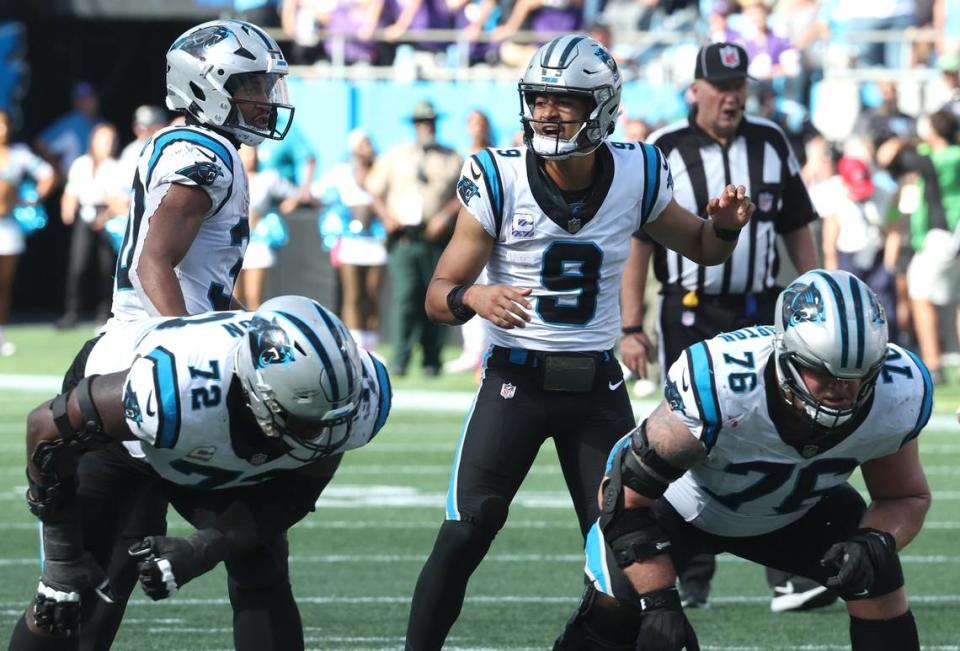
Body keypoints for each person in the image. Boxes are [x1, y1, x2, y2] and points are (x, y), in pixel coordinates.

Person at [404, 34, 755, 650]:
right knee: (468, 529)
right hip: (516, 380)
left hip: (596, 387)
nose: (547, 113)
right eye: (539, 99)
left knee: (624, 549)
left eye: (563, 101)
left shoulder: (638, 171)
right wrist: (474, 298)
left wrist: (723, 228)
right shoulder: (498, 175)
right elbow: (438, 295)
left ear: (603, 106)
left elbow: (702, 247)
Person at [11, 19, 295, 651]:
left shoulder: (191, 144)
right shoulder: (204, 154)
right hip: (162, 373)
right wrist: (192, 351)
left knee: (81, 589)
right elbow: (153, 261)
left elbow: (190, 271)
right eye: (250, 84)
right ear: (207, 86)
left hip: (121, 361)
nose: (265, 98)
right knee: (255, 569)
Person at [567, 269, 932, 651]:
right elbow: (624, 498)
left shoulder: (899, 389)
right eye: (821, 371)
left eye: (858, 374)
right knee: (614, 614)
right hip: (679, 508)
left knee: (876, 571)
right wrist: (660, 603)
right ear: (788, 356)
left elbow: (903, 497)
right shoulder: (723, 383)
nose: (841, 389)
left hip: (797, 512)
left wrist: (873, 541)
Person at [7, 295, 392, 650]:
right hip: (123, 437)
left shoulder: (353, 400)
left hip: (212, 437)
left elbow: (295, 494)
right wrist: (61, 557)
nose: (322, 435)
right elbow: (45, 428)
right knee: (68, 596)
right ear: (260, 392)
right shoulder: (175, 386)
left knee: (261, 563)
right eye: (306, 422)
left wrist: (205, 547)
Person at [621, 41, 822, 612]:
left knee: (781, 436)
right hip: (689, 308)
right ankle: (687, 573)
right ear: (696, 89)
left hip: (760, 310)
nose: (732, 97)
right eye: (721, 86)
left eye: (740, 86)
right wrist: (631, 324)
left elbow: (796, 225)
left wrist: (819, 292)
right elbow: (638, 245)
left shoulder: (770, 140)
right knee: (689, 440)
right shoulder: (664, 147)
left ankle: (791, 573)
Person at [366, 99, 462, 377]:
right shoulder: (395, 156)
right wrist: (386, 218)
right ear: (414, 125)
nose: (425, 127)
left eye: (429, 122)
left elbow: (466, 192)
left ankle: (433, 359)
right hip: (405, 237)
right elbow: (375, 191)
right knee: (406, 298)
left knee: (438, 298)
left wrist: (446, 215)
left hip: (438, 238)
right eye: (421, 122)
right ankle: (401, 357)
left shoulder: (452, 157)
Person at [314, 129, 387, 351]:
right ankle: (355, 346)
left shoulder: (382, 170)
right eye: (363, 143)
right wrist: (336, 212)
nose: (368, 147)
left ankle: (371, 346)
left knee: (372, 295)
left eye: (369, 143)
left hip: (375, 239)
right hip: (350, 240)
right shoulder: (342, 172)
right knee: (353, 295)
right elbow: (317, 192)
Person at [0, 109, 55, 356]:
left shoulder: (19, 154)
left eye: (3, 124)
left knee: (3, 285)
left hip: (8, 228)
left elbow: (47, 174)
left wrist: (31, 198)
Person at [57, 123, 123, 329]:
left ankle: (105, 312)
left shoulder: (115, 167)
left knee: (107, 267)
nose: (106, 144)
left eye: (110, 141)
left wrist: (105, 216)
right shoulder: (81, 164)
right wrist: (67, 208)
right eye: (102, 140)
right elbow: (70, 191)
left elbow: (121, 201)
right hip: (85, 214)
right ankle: (72, 311)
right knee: (78, 265)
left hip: (108, 217)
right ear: (93, 141)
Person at [235, 143, 302, 309]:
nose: (250, 157)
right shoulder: (231, 177)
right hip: (233, 243)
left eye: (253, 153)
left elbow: (296, 194)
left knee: (254, 297)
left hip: (257, 243)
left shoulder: (267, 178)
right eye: (245, 153)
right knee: (232, 296)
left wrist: (289, 204)